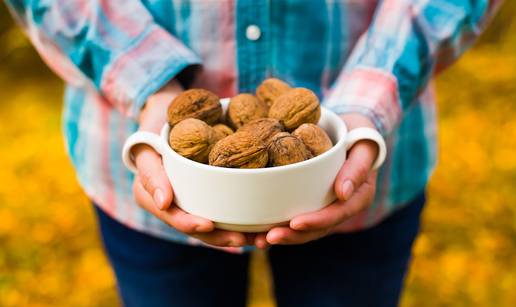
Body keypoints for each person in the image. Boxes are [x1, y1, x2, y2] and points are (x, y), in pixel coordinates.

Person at [5, 0, 502, 306]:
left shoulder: (289, 123)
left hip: (369, 172)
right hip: (152, 188)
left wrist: (365, 107)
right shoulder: (204, 132)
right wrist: (151, 86)